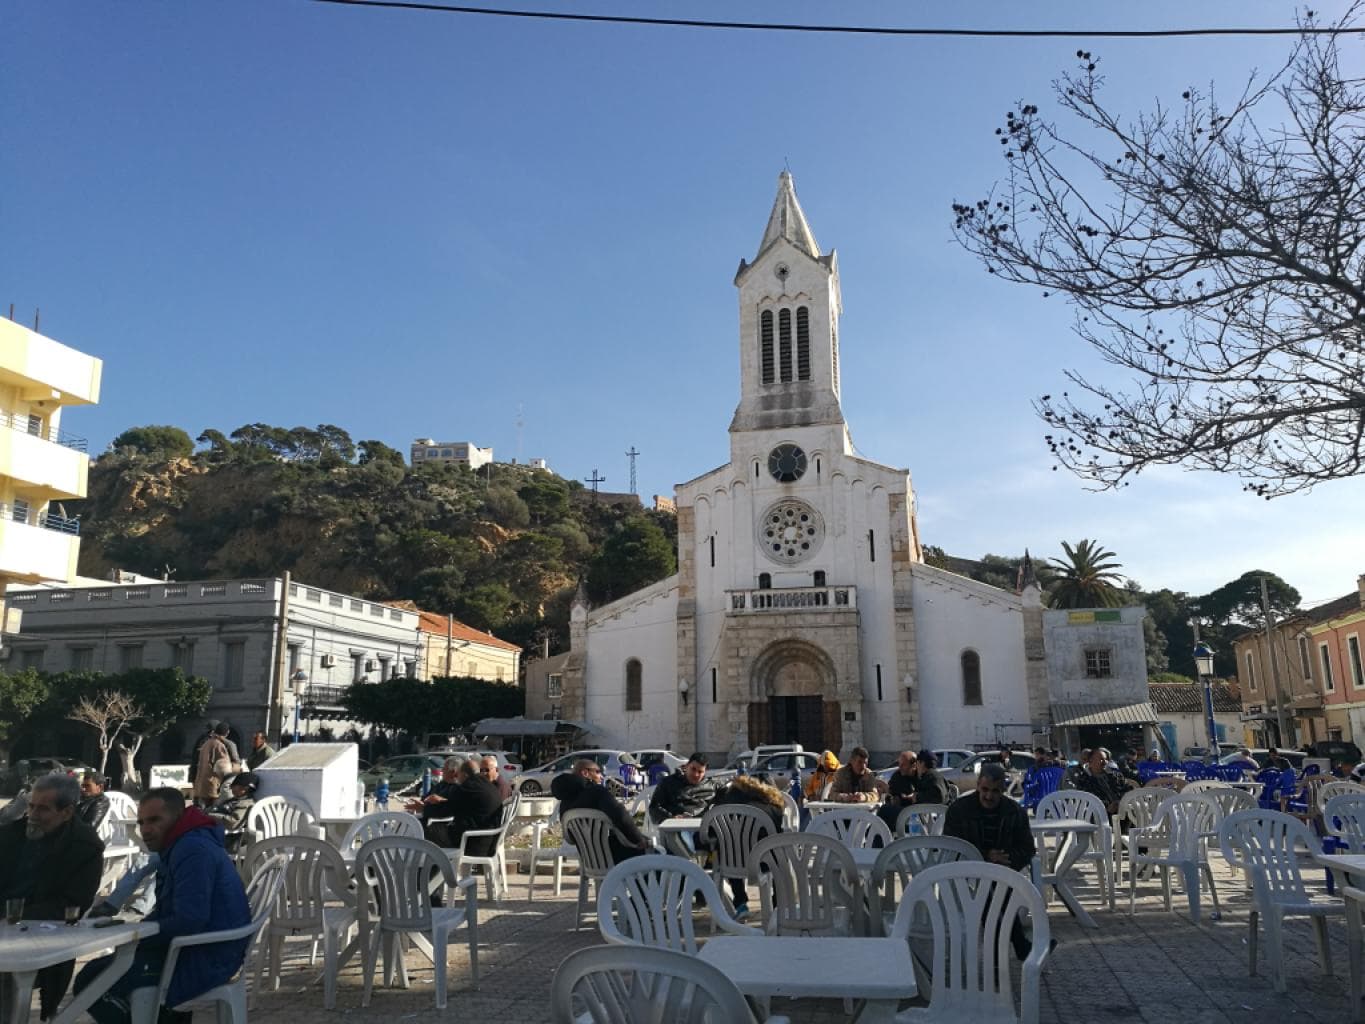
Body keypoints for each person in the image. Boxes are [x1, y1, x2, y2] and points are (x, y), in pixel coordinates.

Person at [76, 787, 251, 1024]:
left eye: (155, 820)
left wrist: (135, 937)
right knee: (107, 967)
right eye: (142, 822)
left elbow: (190, 919)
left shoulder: (192, 850)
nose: (146, 830)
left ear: (178, 817)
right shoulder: (183, 843)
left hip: (206, 956)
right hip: (202, 947)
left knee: (93, 978)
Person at [0, 773, 105, 1018]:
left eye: (43, 809)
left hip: (37, 935)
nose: (33, 816)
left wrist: (13, 917)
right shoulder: (11, 835)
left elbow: (72, 905)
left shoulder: (84, 847)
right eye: (31, 806)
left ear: (66, 812)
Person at [942, 763, 1041, 959]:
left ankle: (998, 954)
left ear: (1003, 790)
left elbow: (1027, 848)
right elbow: (951, 846)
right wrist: (985, 856)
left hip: (1001, 873)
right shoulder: (959, 810)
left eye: (995, 791)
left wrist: (1006, 860)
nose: (989, 796)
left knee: (994, 887)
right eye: (985, 790)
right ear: (978, 785)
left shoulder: (1014, 812)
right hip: (965, 873)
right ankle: (1018, 947)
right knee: (990, 889)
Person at [708, 774, 785, 918]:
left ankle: (741, 903)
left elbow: (710, 832)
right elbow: (777, 835)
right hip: (763, 863)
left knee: (730, 847)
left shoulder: (724, 806)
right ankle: (777, 906)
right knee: (779, 854)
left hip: (730, 864)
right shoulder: (773, 809)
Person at [551, 757, 650, 864]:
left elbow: (570, 837)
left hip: (589, 860)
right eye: (598, 771)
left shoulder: (564, 803)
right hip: (617, 857)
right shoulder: (598, 792)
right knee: (661, 854)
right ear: (585, 773)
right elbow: (620, 816)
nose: (601, 776)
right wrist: (639, 839)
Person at [423, 759, 503, 854]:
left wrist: (423, 808)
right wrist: (442, 801)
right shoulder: (487, 785)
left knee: (427, 829)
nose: (457, 777)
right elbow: (457, 803)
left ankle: (429, 866)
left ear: (464, 775)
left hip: (472, 843)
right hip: (487, 840)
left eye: (458, 774)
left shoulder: (468, 786)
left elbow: (445, 811)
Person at [406, 757, 464, 844]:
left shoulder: (458, 789)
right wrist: (420, 803)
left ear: (453, 772)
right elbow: (425, 798)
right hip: (427, 818)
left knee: (410, 825)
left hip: (439, 825)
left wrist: (424, 807)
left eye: (444, 769)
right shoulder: (441, 784)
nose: (442, 771)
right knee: (405, 819)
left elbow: (447, 809)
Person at [204, 771, 259, 851]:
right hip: (217, 833)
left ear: (245, 788)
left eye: (234, 786)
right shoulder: (235, 800)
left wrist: (209, 815)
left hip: (230, 840)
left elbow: (232, 823)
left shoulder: (245, 804)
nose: (231, 788)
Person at [1071, 747, 1124, 816]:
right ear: (1091, 760)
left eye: (1106, 759)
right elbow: (1087, 799)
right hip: (1097, 815)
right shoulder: (1084, 779)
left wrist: (1121, 801)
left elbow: (1126, 789)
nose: (1105, 762)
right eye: (1101, 759)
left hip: (1122, 810)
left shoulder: (1115, 775)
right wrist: (1107, 806)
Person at [879, 751, 920, 829]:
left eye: (903, 765)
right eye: (899, 764)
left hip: (917, 813)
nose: (900, 767)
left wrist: (914, 796)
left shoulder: (920, 776)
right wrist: (891, 798)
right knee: (884, 811)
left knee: (883, 811)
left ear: (914, 766)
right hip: (901, 811)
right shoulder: (897, 776)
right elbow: (890, 793)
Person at [193, 725, 231, 807]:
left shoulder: (206, 743)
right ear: (227, 733)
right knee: (211, 810)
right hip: (212, 782)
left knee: (202, 809)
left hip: (201, 782)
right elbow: (224, 766)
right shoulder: (219, 745)